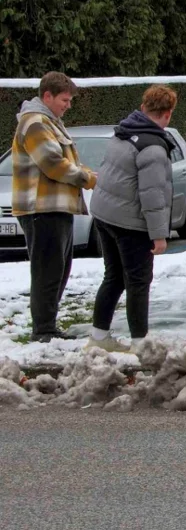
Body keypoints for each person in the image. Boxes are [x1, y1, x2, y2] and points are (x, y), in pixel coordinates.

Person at [86, 86, 179, 352]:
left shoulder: (124, 132)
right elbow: (153, 195)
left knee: (114, 277)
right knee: (138, 281)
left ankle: (99, 336)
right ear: (168, 113)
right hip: (130, 222)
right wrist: (159, 235)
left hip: (105, 214)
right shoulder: (152, 147)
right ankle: (140, 343)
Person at [11, 72, 97, 343]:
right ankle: (44, 330)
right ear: (46, 96)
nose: (68, 105)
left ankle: (48, 325)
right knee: (48, 271)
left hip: (55, 208)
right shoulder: (35, 123)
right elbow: (53, 163)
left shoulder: (49, 122)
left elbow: (61, 159)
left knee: (58, 269)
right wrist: (87, 177)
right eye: (64, 99)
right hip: (42, 209)